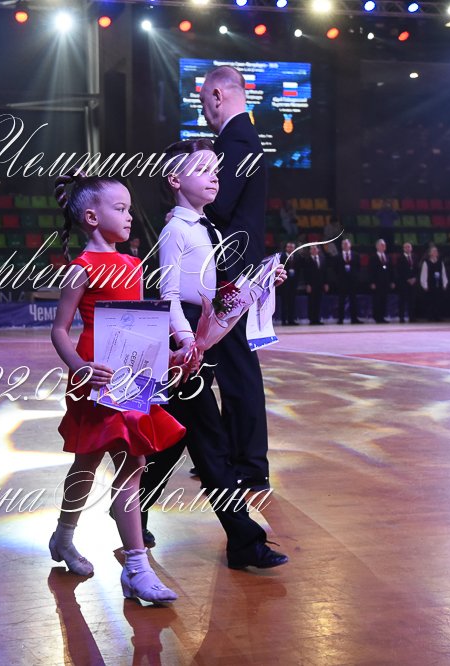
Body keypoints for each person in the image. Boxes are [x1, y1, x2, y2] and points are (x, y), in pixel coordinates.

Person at [140, 138, 288, 571]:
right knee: (211, 441)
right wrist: (187, 343)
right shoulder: (176, 231)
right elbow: (169, 295)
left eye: (216, 171)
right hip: (182, 337)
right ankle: (243, 539)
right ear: (175, 180)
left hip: (197, 333)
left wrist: (261, 284)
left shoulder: (209, 229)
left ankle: (131, 509)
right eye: (202, 170)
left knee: (175, 439)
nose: (214, 177)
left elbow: (220, 295)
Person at [48, 172, 184, 603]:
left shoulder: (132, 264)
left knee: (129, 462)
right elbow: (59, 329)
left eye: (128, 209)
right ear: (92, 217)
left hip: (131, 374)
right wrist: (80, 368)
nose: (129, 217)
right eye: (120, 209)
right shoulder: (81, 268)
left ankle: (114, 558)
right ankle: (113, 558)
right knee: (90, 463)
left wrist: (164, 358)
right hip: (97, 373)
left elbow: (139, 325)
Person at [198, 65, 279, 491]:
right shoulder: (240, 138)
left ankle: (248, 464)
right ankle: (225, 456)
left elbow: (219, 204)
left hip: (232, 271)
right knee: (217, 366)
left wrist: (185, 207)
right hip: (233, 267)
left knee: (236, 369)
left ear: (217, 95)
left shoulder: (237, 140)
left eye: (203, 103)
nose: (204, 112)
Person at [335, 238, 361, 323]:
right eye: (344, 244)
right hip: (342, 282)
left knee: (353, 300)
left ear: (350, 245)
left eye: (347, 243)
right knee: (341, 301)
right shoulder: (337, 256)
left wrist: (355, 278)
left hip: (353, 282)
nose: (345, 245)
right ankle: (340, 319)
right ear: (341, 246)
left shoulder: (356, 255)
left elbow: (358, 268)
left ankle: (354, 319)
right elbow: (335, 270)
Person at [419, 246, 449, 321]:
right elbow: (424, 274)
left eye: (436, 251)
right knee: (430, 301)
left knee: (438, 300)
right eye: (433, 251)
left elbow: (443, 273)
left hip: (438, 284)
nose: (435, 252)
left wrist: (445, 283)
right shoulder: (426, 262)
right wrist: (424, 285)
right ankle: (430, 316)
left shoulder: (440, 262)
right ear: (430, 253)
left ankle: (438, 316)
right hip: (430, 284)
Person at [368, 239, 393, 323]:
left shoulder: (388, 257)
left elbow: (391, 270)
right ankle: (377, 317)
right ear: (377, 246)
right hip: (377, 283)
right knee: (377, 300)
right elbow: (370, 271)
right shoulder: (373, 257)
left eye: (384, 245)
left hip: (385, 282)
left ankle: (382, 317)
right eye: (382, 245)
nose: (383, 246)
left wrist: (392, 281)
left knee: (384, 300)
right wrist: (372, 282)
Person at [304, 245, 330, 325]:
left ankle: (317, 319)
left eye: (315, 248)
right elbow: (305, 274)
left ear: (318, 250)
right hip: (311, 285)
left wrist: (326, 283)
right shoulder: (307, 260)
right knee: (311, 302)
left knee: (319, 302)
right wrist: (307, 284)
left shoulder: (322, 259)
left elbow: (325, 272)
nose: (314, 250)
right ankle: (312, 319)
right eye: (312, 249)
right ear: (310, 251)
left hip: (320, 284)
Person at [277, 241, 299, 325]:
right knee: (284, 303)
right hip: (284, 284)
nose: (291, 249)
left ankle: (291, 320)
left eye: (292, 247)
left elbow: (299, 270)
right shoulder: (281, 257)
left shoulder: (296, 257)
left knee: (292, 302)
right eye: (289, 247)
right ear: (286, 248)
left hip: (293, 284)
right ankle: (284, 320)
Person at [395, 242, 417, 323]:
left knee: (412, 300)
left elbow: (417, 269)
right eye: (406, 247)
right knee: (402, 300)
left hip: (413, 282)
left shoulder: (414, 257)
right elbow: (399, 271)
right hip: (403, 283)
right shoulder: (400, 258)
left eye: (409, 247)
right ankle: (401, 317)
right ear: (403, 249)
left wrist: (414, 278)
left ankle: (412, 317)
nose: (408, 248)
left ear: (411, 248)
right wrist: (407, 279)